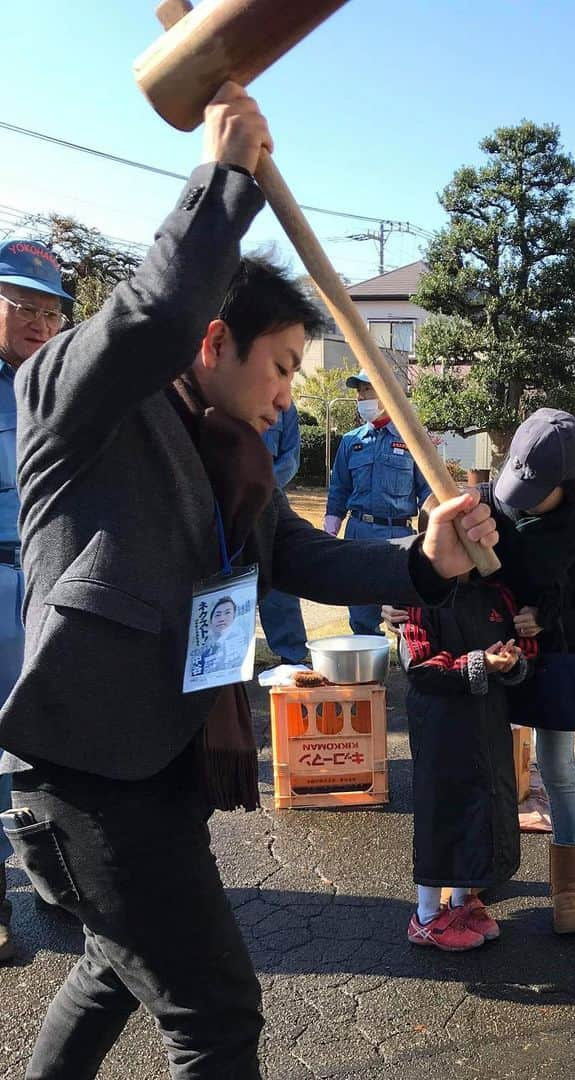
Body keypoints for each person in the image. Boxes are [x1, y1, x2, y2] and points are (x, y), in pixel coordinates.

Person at [0, 84, 496, 1078]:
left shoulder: (233, 457)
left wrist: (420, 563)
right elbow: (151, 314)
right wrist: (222, 181)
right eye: (277, 365)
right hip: (88, 774)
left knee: (113, 962)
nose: (285, 394)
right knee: (217, 1015)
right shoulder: (77, 398)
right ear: (211, 342)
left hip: (164, 762)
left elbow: (303, 555)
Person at [485, 409, 575, 933]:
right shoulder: (489, 501)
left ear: (567, 485)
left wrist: (548, 618)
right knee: (487, 763)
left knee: (557, 767)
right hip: (488, 653)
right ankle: (481, 868)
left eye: (536, 491)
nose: (518, 498)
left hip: (556, 656)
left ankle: (570, 888)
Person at [0, 238, 72, 963]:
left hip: (53, 581)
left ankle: (57, 873)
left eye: (52, 311)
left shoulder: (59, 386)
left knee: (54, 734)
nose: (41, 322)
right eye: (24, 304)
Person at [398, 582, 534, 951]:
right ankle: (426, 917)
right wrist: (479, 663)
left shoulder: (497, 591)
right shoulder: (419, 596)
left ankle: (462, 902)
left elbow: (522, 647)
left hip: (487, 715)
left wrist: (509, 659)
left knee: (483, 802)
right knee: (440, 808)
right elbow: (420, 664)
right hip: (438, 719)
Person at [324, 370, 434, 636]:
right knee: (361, 613)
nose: (361, 397)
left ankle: (409, 667)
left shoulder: (412, 439)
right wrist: (330, 530)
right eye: (359, 392)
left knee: (401, 614)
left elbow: (428, 493)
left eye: (367, 390)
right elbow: (339, 489)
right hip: (358, 533)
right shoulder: (351, 441)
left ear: (386, 393)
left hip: (397, 536)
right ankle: (367, 673)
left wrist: (430, 538)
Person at [259, 402, 309, 663]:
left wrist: (261, 488)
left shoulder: (284, 408)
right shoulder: (221, 394)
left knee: (280, 584)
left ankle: (292, 661)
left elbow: (290, 458)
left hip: (269, 504)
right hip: (223, 506)